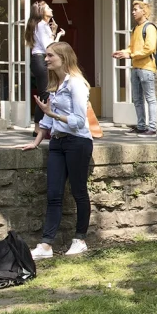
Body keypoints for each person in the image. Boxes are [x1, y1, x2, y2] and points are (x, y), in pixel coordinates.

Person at [21, 42, 94, 260]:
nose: (45, 59)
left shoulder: (77, 84)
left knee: (79, 192)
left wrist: (52, 114)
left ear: (63, 57)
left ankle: (80, 239)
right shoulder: (55, 83)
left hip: (77, 142)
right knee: (53, 194)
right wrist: (36, 142)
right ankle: (46, 245)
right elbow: (45, 120)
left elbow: (79, 122)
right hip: (57, 143)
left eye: (50, 56)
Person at [112, 0, 157, 137]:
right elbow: (132, 47)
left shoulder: (149, 28)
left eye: (136, 9)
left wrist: (130, 54)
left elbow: (149, 48)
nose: (133, 12)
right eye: (133, 10)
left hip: (147, 68)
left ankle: (152, 128)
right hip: (136, 67)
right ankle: (141, 126)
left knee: (150, 98)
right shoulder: (136, 28)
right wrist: (122, 52)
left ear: (144, 11)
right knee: (137, 99)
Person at [24, 0, 64, 129]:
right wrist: (59, 36)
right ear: (41, 12)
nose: (51, 9)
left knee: (45, 94)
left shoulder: (43, 25)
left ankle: (40, 127)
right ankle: (38, 128)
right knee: (45, 95)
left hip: (41, 59)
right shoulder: (41, 25)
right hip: (41, 59)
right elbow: (49, 46)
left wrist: (54, 33)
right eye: (48, 7)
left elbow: (47, 43)